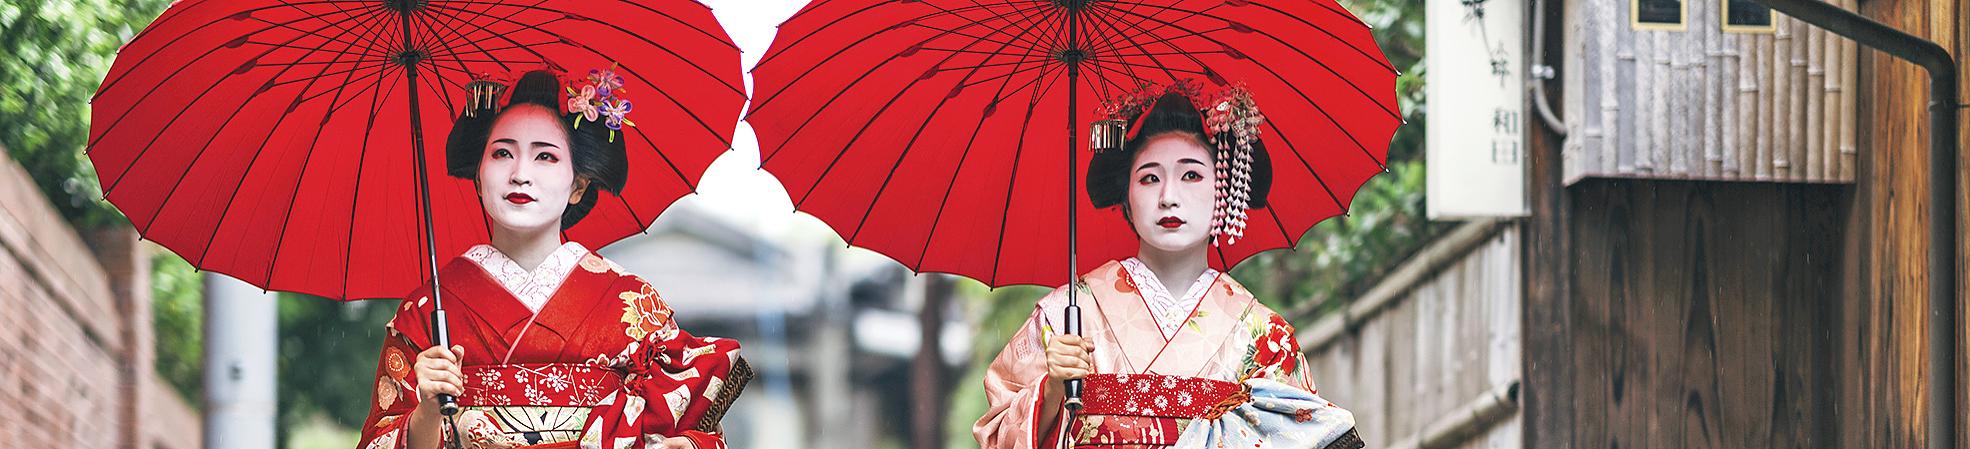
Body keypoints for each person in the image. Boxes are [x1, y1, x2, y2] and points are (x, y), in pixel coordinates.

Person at [356, 70, 745, 449]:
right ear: (478, 176)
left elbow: (696, 427)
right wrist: (427, 410)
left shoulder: (632, 303)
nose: (521, 173)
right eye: (502, 153)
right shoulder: (426, 310)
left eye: (545, 156)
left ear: (578, 185)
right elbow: (380, 439)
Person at [973, 82, 1360, 449]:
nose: (1168, 197)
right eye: (1149, 178)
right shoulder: (1066, 316)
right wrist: (1052, 390)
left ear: (1223, 187)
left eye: (1191, 174)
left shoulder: (1264, 336)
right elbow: (994, 434)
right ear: (1125, 195)